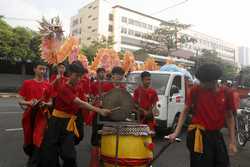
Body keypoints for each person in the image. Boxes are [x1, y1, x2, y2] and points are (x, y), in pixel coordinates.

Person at [39, 63, 112, 167]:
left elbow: (84, 103)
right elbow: (79, 102)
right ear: (69, 74)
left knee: (69, 156)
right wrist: (99, 110)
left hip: (69, 123)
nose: (78, 78)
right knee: (50, 155)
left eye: (80, 76)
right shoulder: (64, 87)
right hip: (56, 123)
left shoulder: (79, 88)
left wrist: (98, 103)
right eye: (76, 75)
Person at [168, 63, 237, 167]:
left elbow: (229, 117)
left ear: (214, 81)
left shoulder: (227, 93)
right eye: (200, 81)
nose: (201, 84)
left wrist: (232, 141)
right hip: (198, 135)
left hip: (216, 135)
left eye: (203, 82)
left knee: (223, 163)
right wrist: (176, 133)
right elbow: (185, 111)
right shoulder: (196, 90)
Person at [88, 66, 126, 167]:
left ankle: (108, 161)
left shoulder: (123, 88)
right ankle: (94, 163)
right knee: (96, 140)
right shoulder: (104, 86)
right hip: (101, 115)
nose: (119, 78)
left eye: (121, 76)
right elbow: (98, 101)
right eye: (117, 76)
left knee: (110, 139)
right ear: (112, 76)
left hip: (114, 117)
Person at [18, 61, 52, 167]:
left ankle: (33, 163)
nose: (43, 71)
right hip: (28, 116)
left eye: (44, 69)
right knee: (28, 141)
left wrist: (45, 103)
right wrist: (29, 102)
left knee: (38, 137)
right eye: (40, 68)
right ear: (34, 69)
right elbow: (20, 100)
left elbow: (51, 102)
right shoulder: (27, 83)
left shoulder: (48, 84)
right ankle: (32, 156)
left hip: (42, 116)